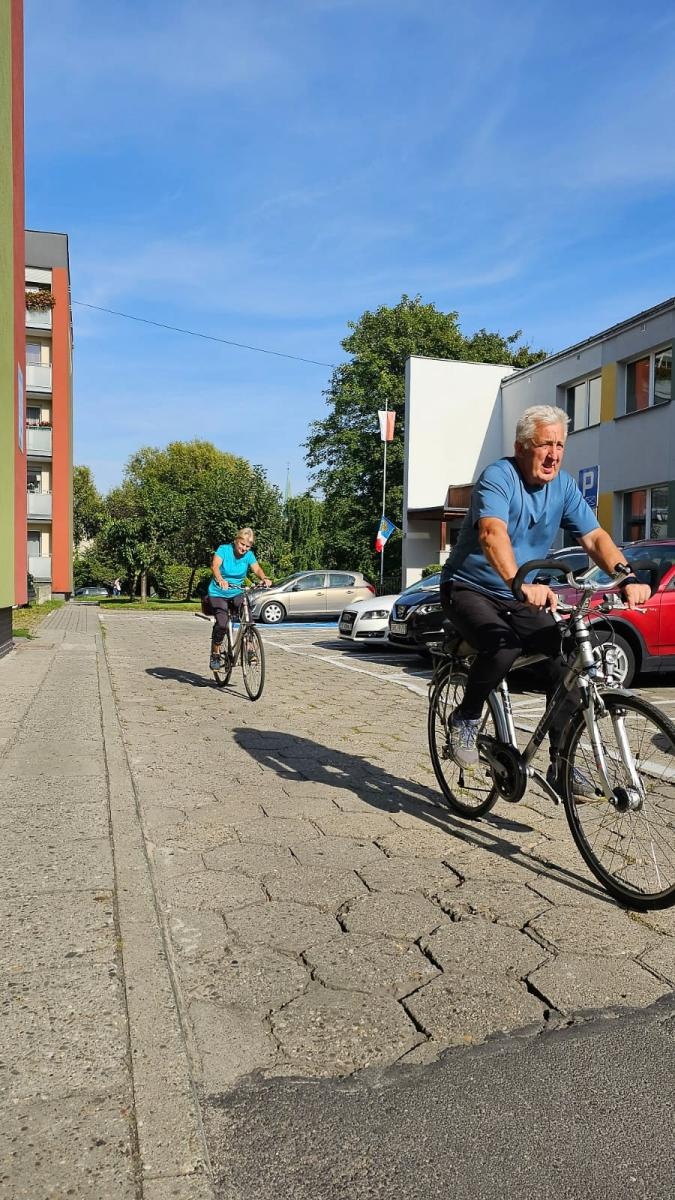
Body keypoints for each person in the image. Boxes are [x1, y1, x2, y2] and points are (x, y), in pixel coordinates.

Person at [439, 404, 651, 796]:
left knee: (566, 660)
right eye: (544, 445)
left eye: (560, 445)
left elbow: (594, 538)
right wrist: (518, 582)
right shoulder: (498, 478)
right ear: (522, 446)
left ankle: (562, 763)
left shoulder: (564, 487)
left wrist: (625, 575)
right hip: (470, 587)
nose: (553, 454)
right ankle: (465, 719)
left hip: (519, 593)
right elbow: (491, 533)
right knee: (503, 646)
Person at [207, 527, 271, 670]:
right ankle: (215, 654)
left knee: (247, 614)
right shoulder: (224, 549)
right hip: (218, 592)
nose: (244, 549)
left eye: (248, 546)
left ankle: (249, 649)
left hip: (236, 591)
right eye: (242, 544)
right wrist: (220, 579)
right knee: (222, 623)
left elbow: (257, 569)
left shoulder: (249, 555)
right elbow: (215, 566)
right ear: (236, 541)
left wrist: (264, 578)